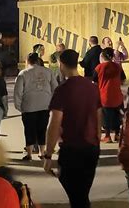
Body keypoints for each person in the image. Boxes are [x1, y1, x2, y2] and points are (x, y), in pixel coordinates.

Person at [43, 49, 102, 207]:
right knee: (82, 194)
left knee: (77, 197)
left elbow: (54, 124)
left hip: (72, 150)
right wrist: (97, 142)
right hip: (91, 149)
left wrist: (48, 155)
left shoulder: (62, 90)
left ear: (61, 64)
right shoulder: (92, 88)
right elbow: (98, 117)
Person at [14, 52, 58, 160]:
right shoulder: (48, 72)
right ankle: (41, 152)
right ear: (38, 60)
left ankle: (29, 153)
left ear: (27, 61)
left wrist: (19, 106)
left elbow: (18, 92)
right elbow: (55, 87)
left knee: (29, 130)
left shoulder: (23, 74)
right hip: (45, 105)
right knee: (42, 129)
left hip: (29, 106)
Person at [94, 47, 124, 143]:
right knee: (116, 115)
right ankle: (117, 135)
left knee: (106, 117)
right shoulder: (117, 67)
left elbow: (94, 81)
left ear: (102, 56)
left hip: (104, 96)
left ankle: (107, 136)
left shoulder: (99, 68)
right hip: (117, 95)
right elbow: (123, 79)